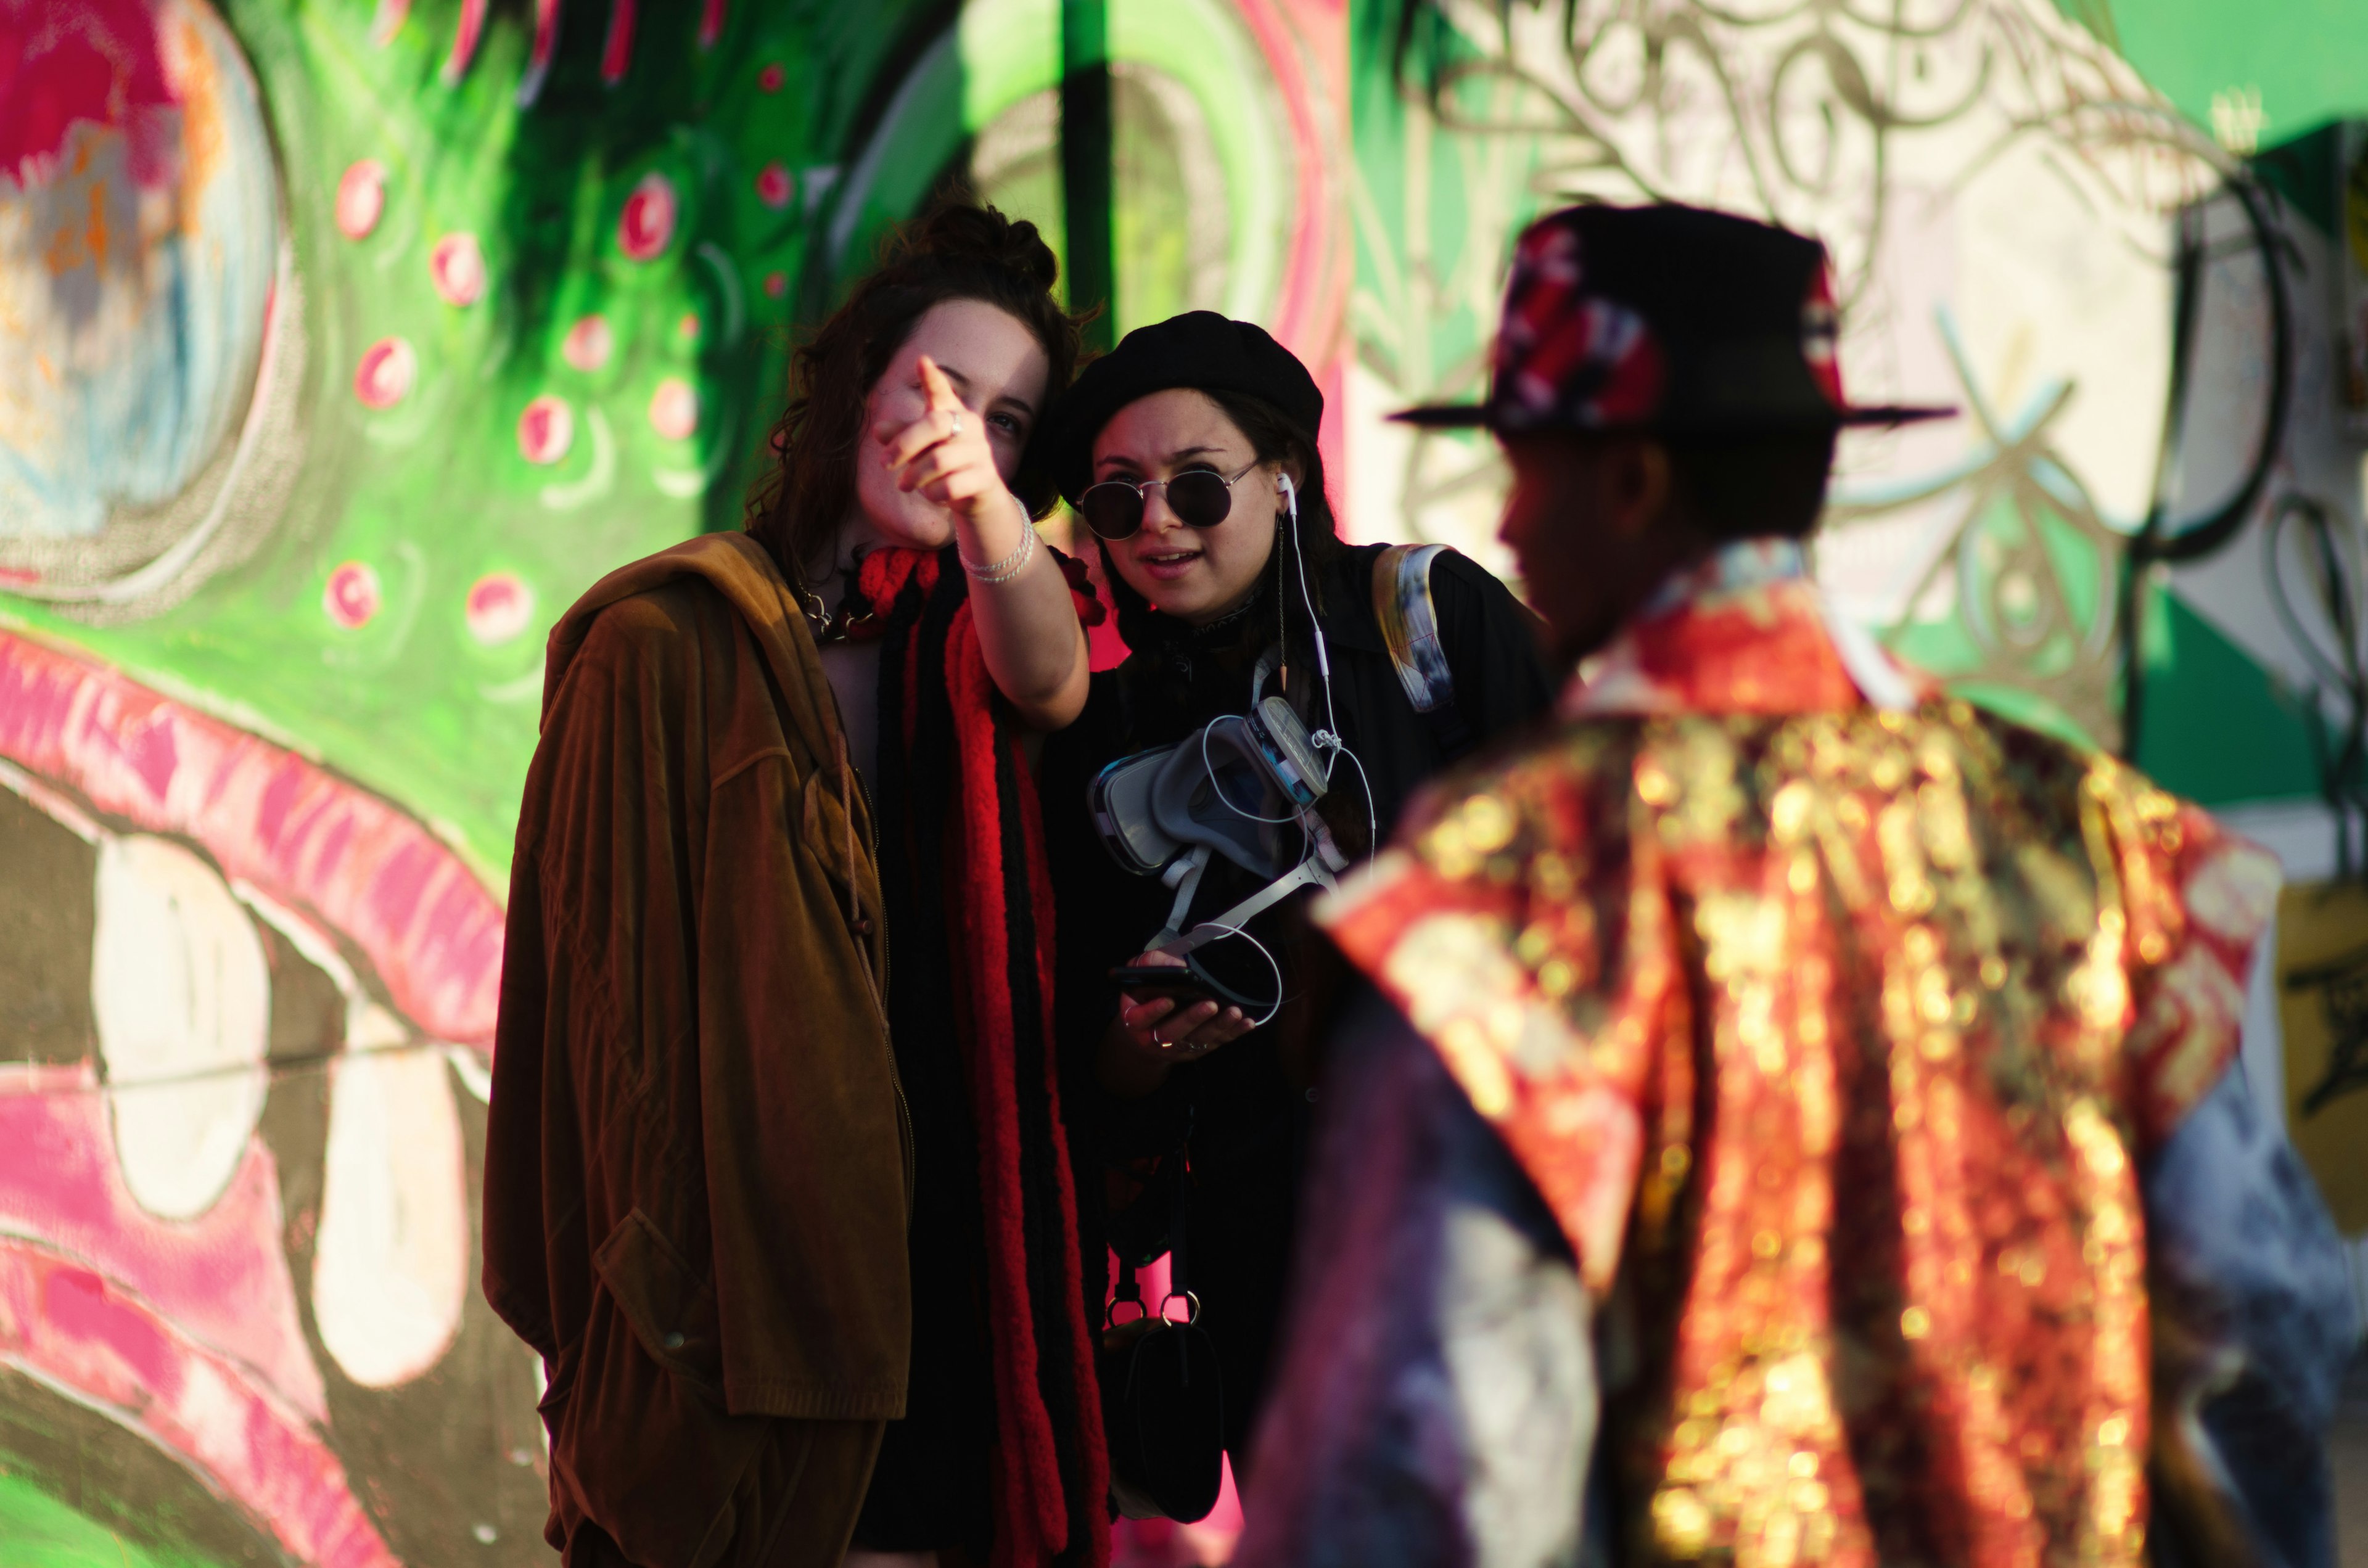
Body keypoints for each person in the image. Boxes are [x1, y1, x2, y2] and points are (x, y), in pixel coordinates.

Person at [1233, 204, 2363, 1567]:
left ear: (1634, 483)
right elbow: (2268, 1342)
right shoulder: (2096, 846)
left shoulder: (1503, 902)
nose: (1515, 525)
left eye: (1528, 471)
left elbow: (1427, 1476)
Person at [482, 204, 1110, 1568]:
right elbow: (594, 1024)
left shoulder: (982, 629)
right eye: (937, 388)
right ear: (853, 387)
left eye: (1009, 423)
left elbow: (1054, 678)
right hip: (733, 1294)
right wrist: (654, 1308)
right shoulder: (666, 643)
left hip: (953, 1260)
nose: (960, 436)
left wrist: (991, 517)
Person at [1034, 311, 1555, 1479]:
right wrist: (1148, 1037)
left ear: (1283, 481)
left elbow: (1603, 873)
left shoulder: (1425, 620)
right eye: (1119, 500)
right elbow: (1095, 1066)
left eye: (1197, 486)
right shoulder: (1107, 742)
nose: (1157, 521)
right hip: (1274, 1261)